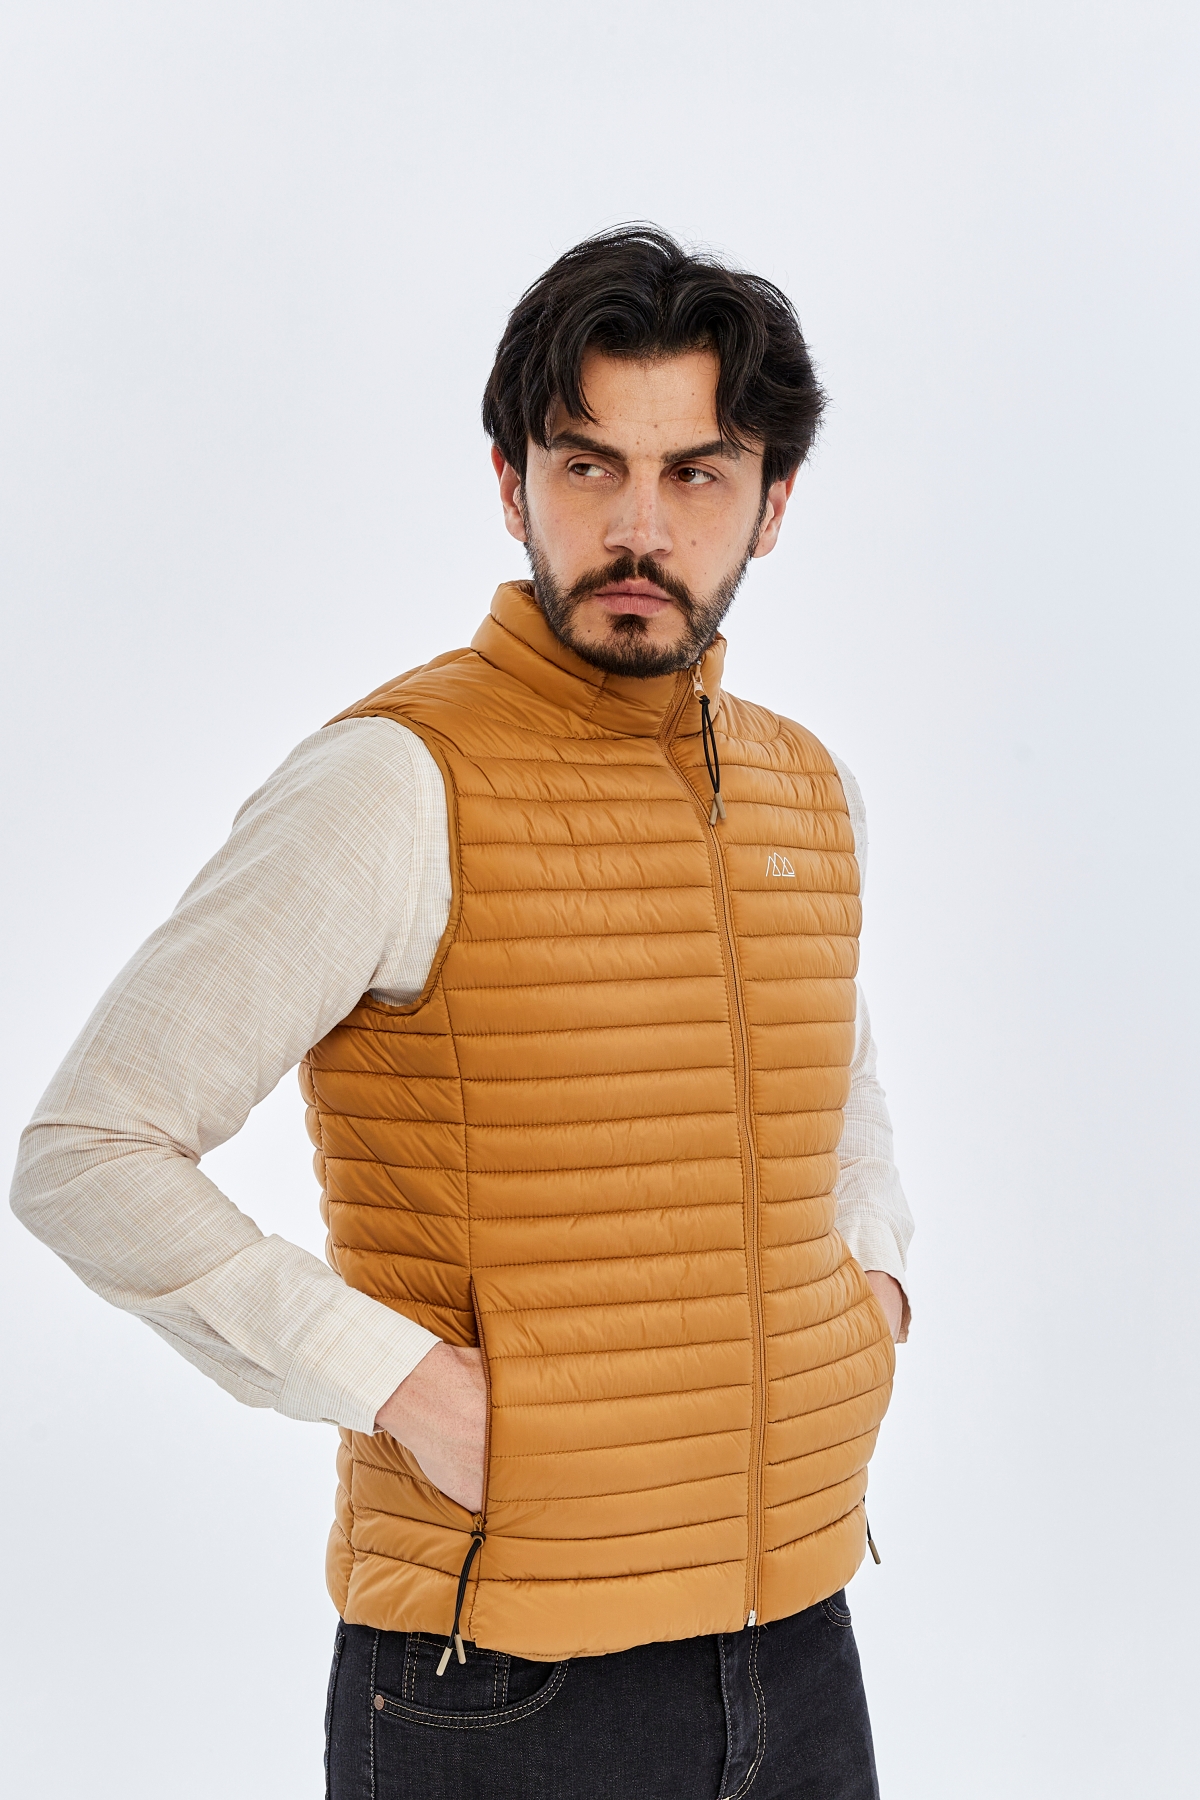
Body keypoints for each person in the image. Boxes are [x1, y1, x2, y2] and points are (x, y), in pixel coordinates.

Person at [11, 225, 914, 1799]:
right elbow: (90, 1150)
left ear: (773, 504)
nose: (638, 528)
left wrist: (871, 1296)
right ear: (513, 484)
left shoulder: (804, 786)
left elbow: (833, 1092)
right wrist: (405, 1391)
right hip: (501, 1688)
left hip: (798, 1645)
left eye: (696, 474)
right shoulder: (394, 782)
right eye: (589, 465)